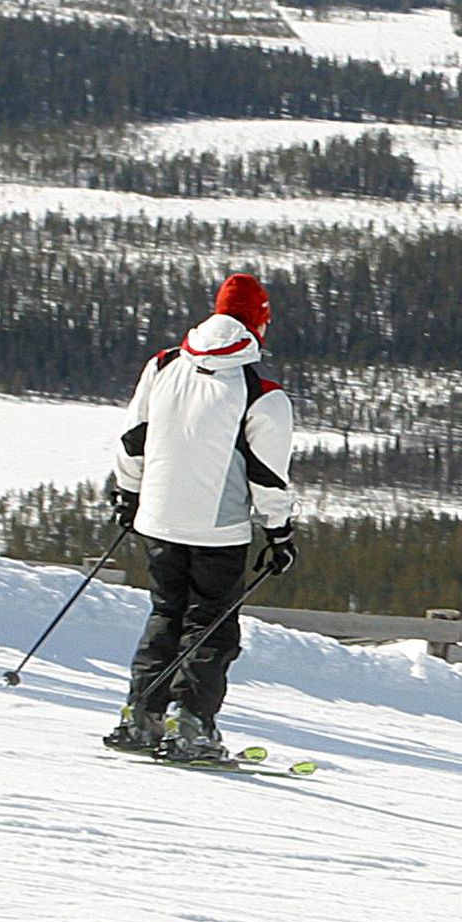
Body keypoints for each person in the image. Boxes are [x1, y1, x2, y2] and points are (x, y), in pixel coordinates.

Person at [102, 273, 298, 764]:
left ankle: (141, 717)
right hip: (218, 529)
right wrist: (279, 533)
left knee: (166, 613)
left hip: (159, 519)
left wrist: (128, 494)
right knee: (211, 625)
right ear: (260, 323)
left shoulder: (163, 365)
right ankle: (191, 726)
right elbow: (268, 476)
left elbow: (133, 438)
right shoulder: (261, 392)